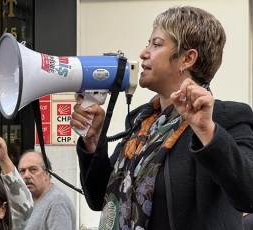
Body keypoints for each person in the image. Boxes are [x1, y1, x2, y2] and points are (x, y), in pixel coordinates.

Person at [71, 6, 253, 230]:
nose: (143, 53)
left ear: (187, 58)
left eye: (156, 44)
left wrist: (207, 131)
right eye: (148, 43)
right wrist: (93, 141)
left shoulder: (227, 118)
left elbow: (248, 194)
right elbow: (98, 198)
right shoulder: (140, 122)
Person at [18, 150, 76, 230]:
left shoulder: (56, 203)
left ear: (46, 174)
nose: (26, 175)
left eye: (33, 169)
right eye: (22, 171)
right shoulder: (32, 198)